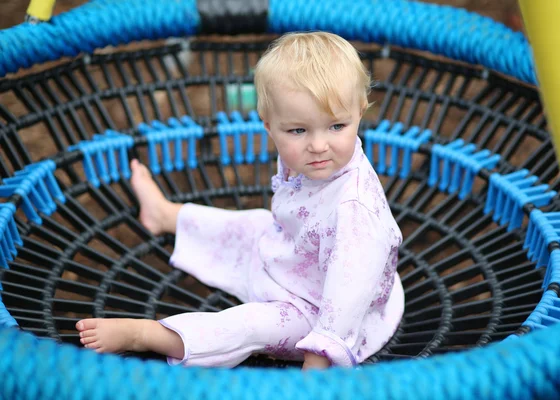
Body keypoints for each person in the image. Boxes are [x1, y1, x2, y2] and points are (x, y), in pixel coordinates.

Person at [76, 31, 404, 370]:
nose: (319, 145)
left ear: (360, 112)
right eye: (298, 131)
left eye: (336, 126)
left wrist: (316, 367)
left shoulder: (355, 214)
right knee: (251, 223)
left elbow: (345, 301)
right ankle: (166, 215)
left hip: (324, 314)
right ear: (269, 126)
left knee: (249, 325)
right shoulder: (322, 158)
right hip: (294, 260)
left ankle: (152, 336)